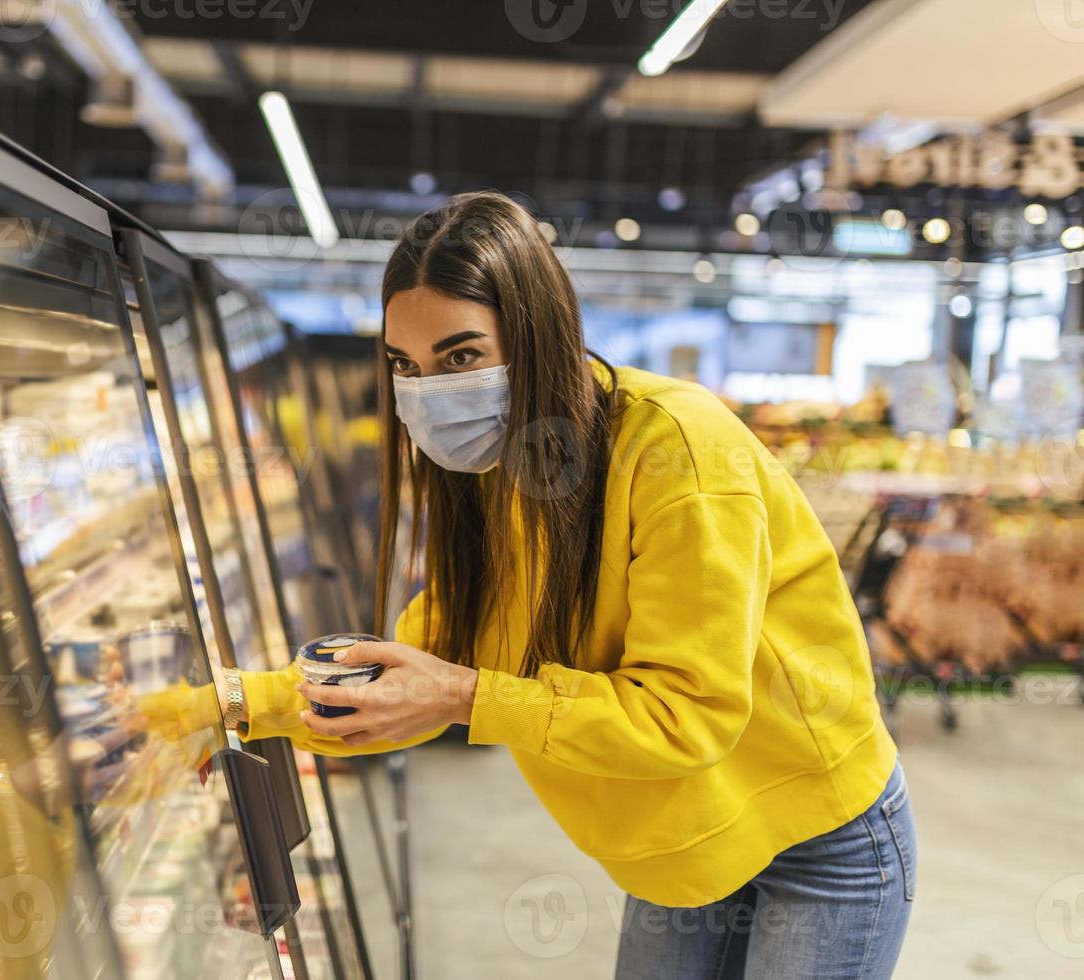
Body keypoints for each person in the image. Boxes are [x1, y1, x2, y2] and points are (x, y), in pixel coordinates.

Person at [220, 192, 915, 978]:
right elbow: (422, 657)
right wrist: (243, 704)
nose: (426, 393)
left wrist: (465, 698)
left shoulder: (677, 452)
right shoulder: (497, 467)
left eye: (460, 356)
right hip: (681, 841)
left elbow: (685, 716)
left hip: (814, 838)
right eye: (403, 365)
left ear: (536, 332)